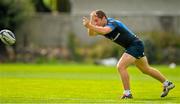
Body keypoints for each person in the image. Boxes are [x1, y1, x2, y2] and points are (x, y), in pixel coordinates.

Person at [82, 10, 175, 99]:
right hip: (134, 46)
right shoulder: (100, 26)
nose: (95, 23)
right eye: (94, 21)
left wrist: (90, 25)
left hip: (135, 45)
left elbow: (105, 31)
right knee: (145, 69)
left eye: (96, 20)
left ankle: (127, 93)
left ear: (103, 18)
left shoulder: (112, 23)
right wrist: (90, 24)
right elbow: (92, 34)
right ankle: (167, 83)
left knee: (120, 66)